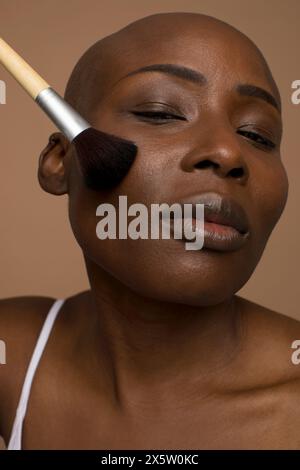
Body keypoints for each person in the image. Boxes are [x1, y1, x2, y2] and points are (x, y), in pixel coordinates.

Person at [0, 12, 299, 450]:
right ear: (61, 163)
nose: (227, 151)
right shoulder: (15, 352)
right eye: (159, 112)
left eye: (257, 135)